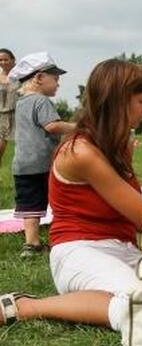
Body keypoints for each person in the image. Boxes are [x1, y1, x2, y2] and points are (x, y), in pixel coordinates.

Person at [0, 58, 142, 328]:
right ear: (118, 102)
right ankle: (28, 306)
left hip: (123, 249)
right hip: (80, 251)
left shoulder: (115, 146)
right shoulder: (82, 152)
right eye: (141, 101)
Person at [9, 52, 76, 256]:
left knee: (30, 204)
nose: (58, 84)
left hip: (22, 164)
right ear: (39, 78)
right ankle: (63, 236)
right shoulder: (41, 101)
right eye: (55, 79)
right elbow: (52, 126)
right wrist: (77, 127)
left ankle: (32, 244)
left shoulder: (20, 103)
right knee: (59, 200)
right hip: (43, 163)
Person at [0, 48, 19, 167]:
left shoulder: (21, 75)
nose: (2, 62)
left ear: (13, 60)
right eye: (0, 60)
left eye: (5, 59)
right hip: (1, 116)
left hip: (18, 115)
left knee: (22, 149)